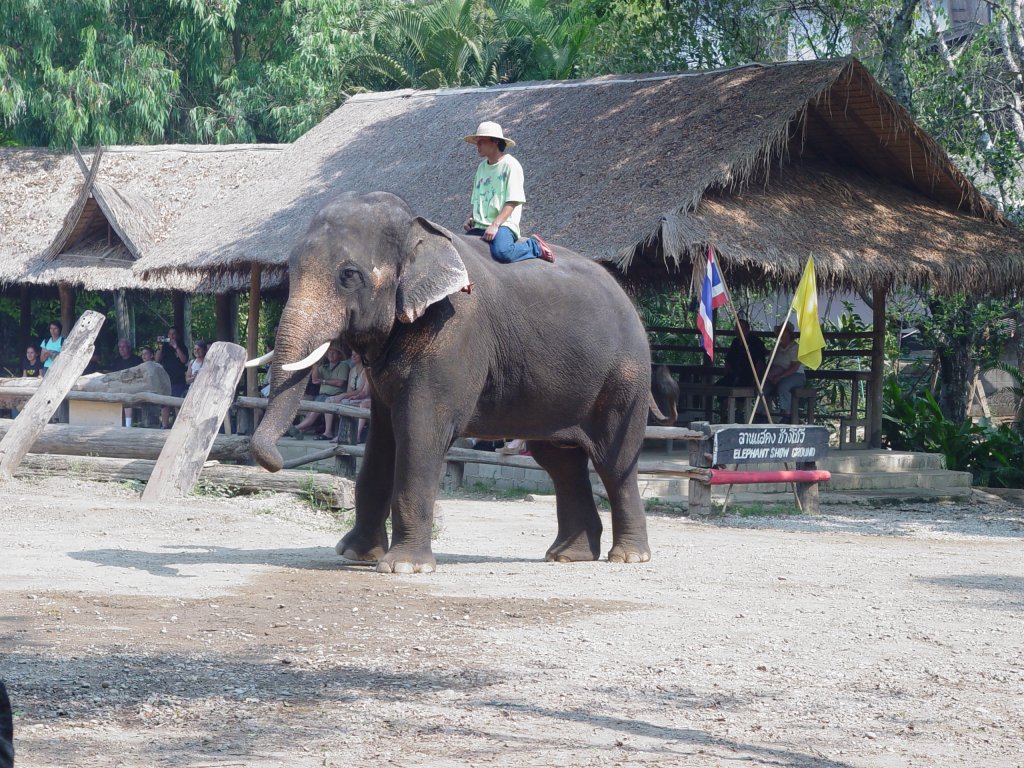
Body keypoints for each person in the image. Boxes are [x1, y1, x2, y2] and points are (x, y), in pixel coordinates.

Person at [462, 121, 554, 264]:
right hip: (480, 225)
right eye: (477, 142)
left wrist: (495, 225)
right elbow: (478, 198)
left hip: (503, 224)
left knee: (502, 253)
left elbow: (513, 200)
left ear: (495, 142)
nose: (477, 146)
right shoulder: (481, 168)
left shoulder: (511, 165)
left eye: (482, 141)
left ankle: (534, 247)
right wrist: (470, 217)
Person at [292, 345, 350, 439]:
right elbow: (315, 380)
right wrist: (315, 365)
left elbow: (339, 382)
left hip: (334, 395)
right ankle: (298, 431)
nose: (331, 354)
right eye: (329, 352)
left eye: (334, 352)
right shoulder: (323, 367)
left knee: (314, 413)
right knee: (310, 413)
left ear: (339, 355)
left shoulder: (343, 366)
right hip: (321, 396)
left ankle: (294, 428)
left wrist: (323, 381)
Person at [765, 323, 806, 422]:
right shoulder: (776, 347)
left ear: (789, 333)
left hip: (795, 375)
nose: (781, 333)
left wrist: (780, 377)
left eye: (784, 331)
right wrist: (769, 376)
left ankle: (786, 414)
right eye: (780, 331)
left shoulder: (795, 347)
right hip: (775, 375)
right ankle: (762, 413)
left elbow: (795, 367)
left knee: (784, 386)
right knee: (763, 387)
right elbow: (769, 363)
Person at [717, 317, 767, 388]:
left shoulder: (756, 343)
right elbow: (728, 360)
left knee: (740, 388)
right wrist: (727, 374)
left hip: (748, 377)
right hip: (734, 375)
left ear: (747, 329)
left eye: (741, 328)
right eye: (736, 328)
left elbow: (760, 363)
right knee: (719, 386)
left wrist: (755, 380)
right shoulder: (735, 342)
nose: (738, 331)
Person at [156, 327, 188, 428]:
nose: (171, 336)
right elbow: (157, 359)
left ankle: (179, 426)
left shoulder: (182, 346)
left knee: (177, 403)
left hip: (178, 380)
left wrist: (176, 347)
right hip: (165, 379)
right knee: (164, 404)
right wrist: (160, 347)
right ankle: (164, 426)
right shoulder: (164, 347)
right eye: (169, 334)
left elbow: (184, 360)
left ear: (177, 335)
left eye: (174, 334)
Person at [110, 339, 143, 427]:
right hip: (118, 388)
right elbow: (113, 376)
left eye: (123, 347)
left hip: (133, 388)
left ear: (129, 348)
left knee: (127, 396)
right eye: (120, 347)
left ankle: (128, 425)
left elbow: (140, 375)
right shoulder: (116, 361)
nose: (121, 349)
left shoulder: (137, 360)